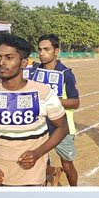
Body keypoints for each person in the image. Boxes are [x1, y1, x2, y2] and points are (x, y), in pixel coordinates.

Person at [0, 34, 68, 186]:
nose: (1, 62)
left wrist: (38, 153)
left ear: (23, 63)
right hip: (1, 178)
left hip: (33, 179)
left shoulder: (43, 93)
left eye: (9, 57)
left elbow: (62, 128)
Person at [30, 34, 80, 186]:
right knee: (39, 163)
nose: (42, 53)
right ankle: (53, 173)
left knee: (67, 164)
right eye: (39, 50)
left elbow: (75, 102)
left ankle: (74, 192)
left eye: (46, 49)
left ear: (56, 51)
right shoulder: (34, 71)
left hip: (62, 128)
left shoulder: (66, 74)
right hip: (39, 126)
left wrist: (55, 101)